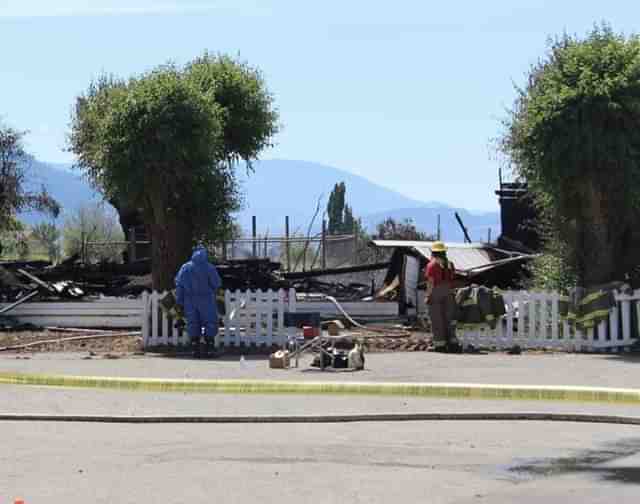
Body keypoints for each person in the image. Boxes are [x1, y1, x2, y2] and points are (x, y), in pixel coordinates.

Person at [175, 246, 222, 358]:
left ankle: (195, 349)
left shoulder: (185, 268)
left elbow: (179, 285)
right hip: (207, 299)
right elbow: (216, 283)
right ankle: (210, 348)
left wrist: (180, 301)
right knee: (210, 322)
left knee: (192, 323)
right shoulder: (209, 267)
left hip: (189, 300)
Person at [425, 241, 460, 353]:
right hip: (449, 292)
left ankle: (440, 345)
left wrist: (428, 295)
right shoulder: (450, 264)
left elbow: (430, 282)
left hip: (436, 292)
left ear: (433, 252)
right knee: (449, 319)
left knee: (437, 319)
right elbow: (452, 279)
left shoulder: (432, 265)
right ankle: (453, 344)